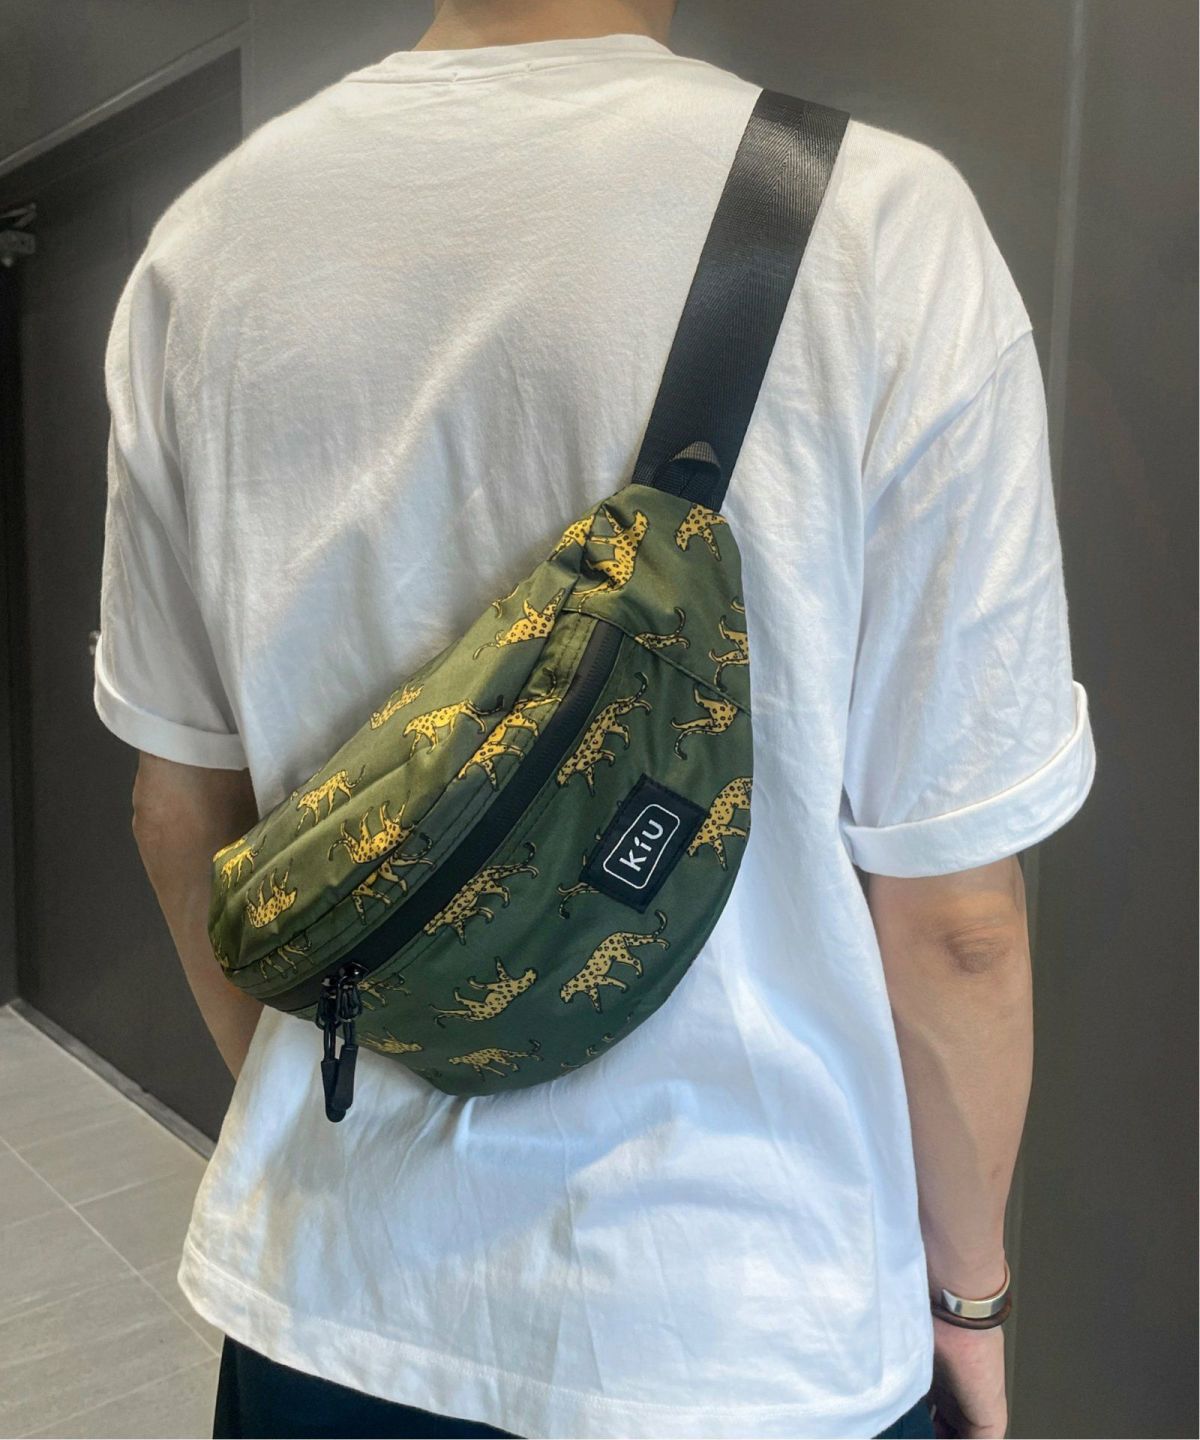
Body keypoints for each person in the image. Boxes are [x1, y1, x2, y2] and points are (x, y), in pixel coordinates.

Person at [92, 1, 1097, 1436]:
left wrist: (357, 1080)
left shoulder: (202, 253)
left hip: (334, 1296)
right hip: (749, 1324)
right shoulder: (881, 227)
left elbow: (174, 810)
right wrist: (970, 1303)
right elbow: (960, 926)